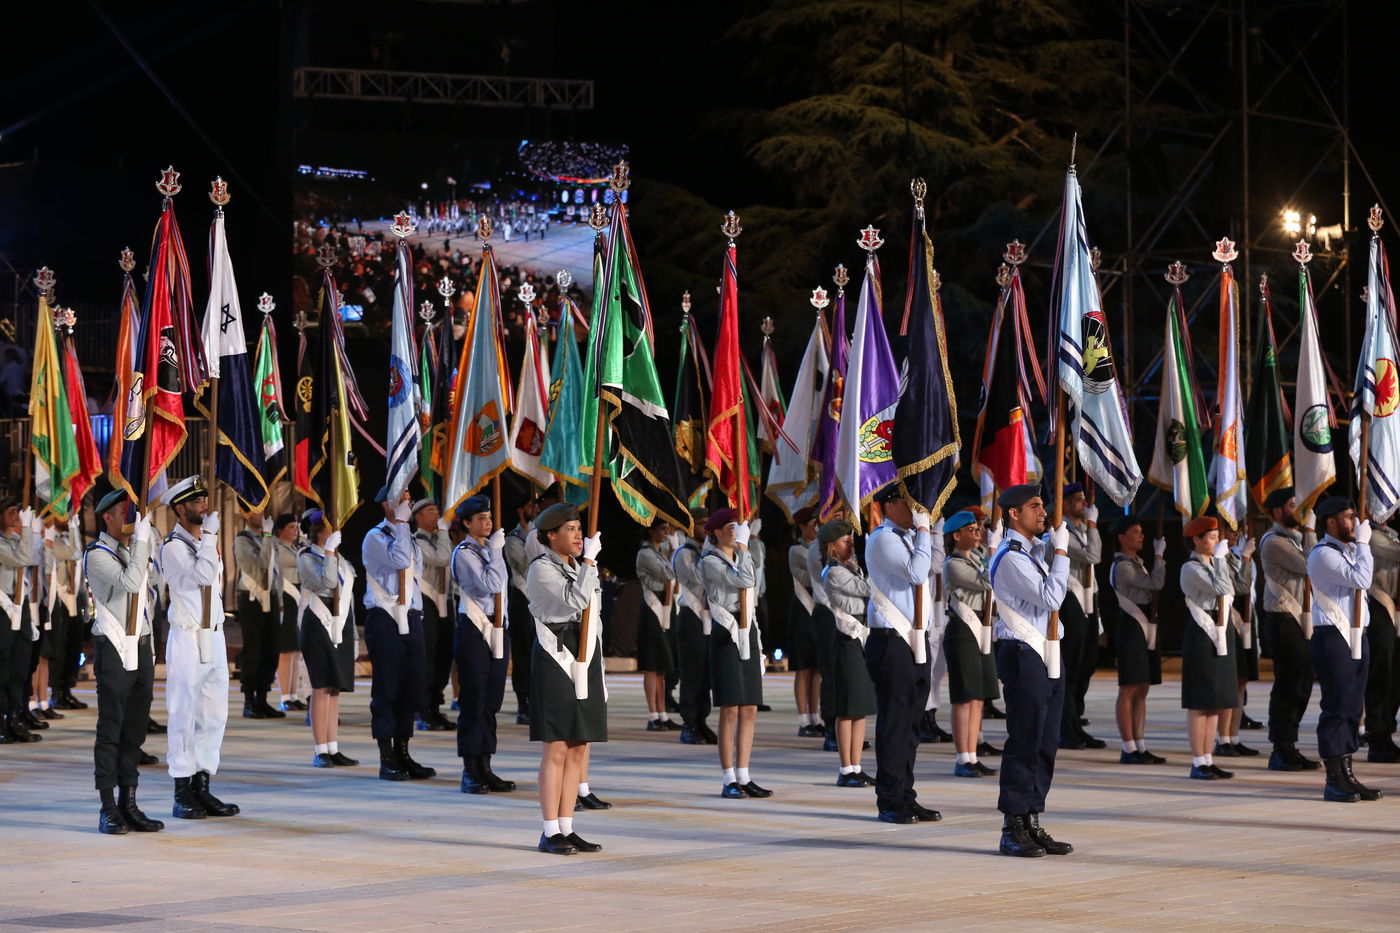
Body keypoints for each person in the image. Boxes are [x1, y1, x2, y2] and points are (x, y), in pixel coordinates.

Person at [987, 484, 1073, 858]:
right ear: (1012, 514)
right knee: (1025, 740)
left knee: (1046, 741)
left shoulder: (1032, 552)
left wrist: (1055, 549)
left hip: (1045, 652)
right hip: (1023, 652)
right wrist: (1061, 551)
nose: (1044, 512)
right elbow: (1052, 597)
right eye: (1035, 506)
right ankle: (1013, 825)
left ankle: (1033, 818)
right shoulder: (1011, 557)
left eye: (1042, 505)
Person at [525, 503, 606, 855]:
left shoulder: (581, 566)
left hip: (585, 651)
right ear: (551, 536)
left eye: (578, 529)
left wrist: (586, 565)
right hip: (556, 654)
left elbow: (595, 612)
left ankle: (568, 826)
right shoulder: (541, 569)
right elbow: (575, 600)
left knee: (578, 745)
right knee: (557, 745)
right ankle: (549, 830)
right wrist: (588, 564)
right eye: (570, 530)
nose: (578, 536)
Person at [160, 476, 239, 819]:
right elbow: (204, 576)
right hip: (188, 637)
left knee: (214, 714)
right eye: (196, 502)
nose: (204, 505)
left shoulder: (206, 542)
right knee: (184, 713)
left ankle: (203, 786)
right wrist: (209, 537)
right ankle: (182, 790)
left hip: (215, 634)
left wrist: (208, 539)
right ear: (180, 509)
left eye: (205, 499)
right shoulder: (172, 547)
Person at [85, 486, 163, 834]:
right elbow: (131, 583)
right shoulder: (97, 554)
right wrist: (143, 544)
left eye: (132, 514)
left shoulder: (133, 549)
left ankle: (129, 803)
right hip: (114, 647)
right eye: (124, 514)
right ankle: (107, 807)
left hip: (141, 644)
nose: (130, 521)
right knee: (111, 729)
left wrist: (148, 542)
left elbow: (154, 584)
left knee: (134, 730)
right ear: (107, 517)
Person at [864, 486, 942, 824]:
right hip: (892, 639)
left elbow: (934, 562)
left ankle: (906, 795)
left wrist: (931, 529)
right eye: (909, 504)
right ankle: (889, 799)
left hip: (914, 638)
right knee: (895, 723)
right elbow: (916, 572)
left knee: (911, 723)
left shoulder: (910, 537)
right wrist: (924, 530)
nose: (915, 510)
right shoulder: (883, 538)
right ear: (891, 505)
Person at [1306, 497, 1383, 802]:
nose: (1354, 522)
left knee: (1353, 707)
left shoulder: (1349, 550)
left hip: (1355, 635)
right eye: (1349, 517)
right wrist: (1364, 545)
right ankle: (1333, 779)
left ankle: (1348, 774)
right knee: (1337, 706)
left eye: (1354, 516)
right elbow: (1362, 579)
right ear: (1331, 522)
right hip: (1333, 636)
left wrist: (1359, 546)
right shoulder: (1323, 554)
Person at [362, 486, 435, 782]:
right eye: (403, 500)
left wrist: (405, 527)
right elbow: (401, 561)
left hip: (412, 618)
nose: (409, 504)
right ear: (385, 505)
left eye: (409, 500)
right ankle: (386, 756)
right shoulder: (375, 537)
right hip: (385, 618)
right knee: (387, 690)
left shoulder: (409, 537)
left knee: (412, 690)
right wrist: (403, 524)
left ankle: (404, 751)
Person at [701, 508, 771, 799]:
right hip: (727, 631)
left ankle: (745, 773)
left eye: (736, 526)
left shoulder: (743, 553)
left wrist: (744, 550)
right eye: (728, 527)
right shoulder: (709, 561)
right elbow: (743, 581)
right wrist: (744, 547)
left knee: (750, 708)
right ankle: (728, 776)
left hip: (747, 628)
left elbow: (752, 582)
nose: (734, 531)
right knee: (730, 708)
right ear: (715, 532)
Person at [451, 494, 515, 795]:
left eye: (489, 517)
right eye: (481, 519)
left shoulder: (490, 549)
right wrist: (498, 553)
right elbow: (491, 584)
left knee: (492, 701)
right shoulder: (464, 553)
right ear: (466, 523)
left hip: (499, 627)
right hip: (475, 628)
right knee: (474, 700)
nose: (488, 523)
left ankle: (486, 765)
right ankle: (470, 769)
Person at [1258, 487, 1321, 772]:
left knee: (1302, 682)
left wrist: (1307, 532)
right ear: (1275, 511)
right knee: (1288, 683)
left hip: (1297, 620)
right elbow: (1310, 564)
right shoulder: (1273, 541)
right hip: (1283, 619)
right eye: (1292, 505)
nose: (1298, 509)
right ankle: (1280, 747)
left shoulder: (1293, 539)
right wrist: (1310, 530)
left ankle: (1290, 743)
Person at [1179, 516, 1240, 781]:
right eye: (1212, 537)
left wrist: (1232, 559)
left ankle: (1209, 759)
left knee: (1215, 701)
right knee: (1199, 702)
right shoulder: (1190, 567)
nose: (1217, 541)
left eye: (1217, 537)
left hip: (1220, 632)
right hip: (1202, 635)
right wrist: (1221, 560)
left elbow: (1238, 586)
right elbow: (1222, 587)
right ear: (1197, 539)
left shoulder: (1215, 563)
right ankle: (1197, 761)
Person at [296, 510, 357, 768]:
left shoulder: (340, 558)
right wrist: (329, 552)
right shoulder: (306, 556)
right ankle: (320, 749)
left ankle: (333, 747)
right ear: (319, 531)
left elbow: (348, 596)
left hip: (340, 624)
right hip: (317, 624)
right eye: (331, 528)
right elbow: (328, 582)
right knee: (321, 687)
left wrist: (353, 638)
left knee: (335, 688)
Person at [944, 510, 1000, 778]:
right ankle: (961, 757)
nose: (978, 533)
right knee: (964, 697)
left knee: (978, 697)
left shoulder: (977, 559)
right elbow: (988, 580)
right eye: (972, 530)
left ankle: (973, 754)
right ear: (956, 535)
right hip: (963, 630)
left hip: (982, 628)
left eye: (979, 529)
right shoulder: (953, 563)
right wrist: (993, 549)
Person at [820, 518, 875, 788]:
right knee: (847, 707)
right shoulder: (833, 572)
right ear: (832, 546)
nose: (851, 543)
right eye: (845, 540)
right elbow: (865, 590)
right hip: (846, 639)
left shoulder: (850, 567)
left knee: (860, 707)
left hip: (859, 638)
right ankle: (845, 768)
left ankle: (857, 766)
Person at [1108, 516, 1167, 765]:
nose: (1141, 536)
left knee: (1142, 687)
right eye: (1135, 532)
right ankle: (1128, 746)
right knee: (1130, 687)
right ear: (1122, 537)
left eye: (1141, 531)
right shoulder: (1122, 566)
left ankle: (1140, 744)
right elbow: (1156, 583)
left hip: (1143, 626)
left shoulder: (1137, 562)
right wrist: (1160, 558)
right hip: (1131, 627)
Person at [1056, 483, 1105, 750]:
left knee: (1086, 667)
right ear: (1064, 504)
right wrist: (1094, 526)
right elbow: (1092, 555)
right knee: (1071, 669)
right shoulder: (1061, 530)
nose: (1084, 504)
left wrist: (1090, 527)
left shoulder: (1083, 528)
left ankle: (1076, 722)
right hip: (1070, 601)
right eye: (1077, 499)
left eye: (1084, 499)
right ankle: (1066, 728)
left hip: (1088, 601)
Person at [0, 497, 42, 744]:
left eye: (18, 511)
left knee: (20, 665)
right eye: (11, 511)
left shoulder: (15, 540)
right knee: (2, 666)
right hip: (3, 606)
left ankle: (15, 718)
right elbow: (22, 559)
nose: (17, 515)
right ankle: (3, 721)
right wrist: (27, 529)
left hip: (20, 606)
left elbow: (32, 558)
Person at [235, 510, 284, 720]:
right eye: (257, 512)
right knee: (253, 649)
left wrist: (280, 601)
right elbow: (261, 567)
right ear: (246, 515)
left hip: (271, 597)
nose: (262, 515)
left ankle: (263, 698)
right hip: (252, 598)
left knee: (271, 649)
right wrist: (266, 537)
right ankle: (249, 701)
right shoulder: (242, 540)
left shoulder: (269, 538)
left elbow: (277, 572)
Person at [673, 510, 717, 745]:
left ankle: (701, 720)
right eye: (701, 524)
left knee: (706, 674)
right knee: (692, 672)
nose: (706, 529)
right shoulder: (685, 553)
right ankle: (688, 723)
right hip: (691, 616)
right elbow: (704, 578)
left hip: (708, 618)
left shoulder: (706, 552)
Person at [1215, 526, 1260, 758]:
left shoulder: (1230, 557)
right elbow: (1239, 587)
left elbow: (1246, 586)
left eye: (1238, 530)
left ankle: (1233, 737)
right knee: (1230, 682)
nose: (1236, 534)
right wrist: (1245, 558)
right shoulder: (1218, 559)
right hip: (1225, 622)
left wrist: (1243, 558)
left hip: (1240, 622)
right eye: (1230, 530)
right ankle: (1222, 739)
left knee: (1241, 681)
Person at [413, 498, 455, 732]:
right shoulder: (418, 541)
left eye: (436, 510)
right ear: (418, 517)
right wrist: (444, 532)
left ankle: (436, 706)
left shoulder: (440, 538)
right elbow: (441, 558)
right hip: (426, 600)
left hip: (444, 600)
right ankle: (423, 709)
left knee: (442, 657)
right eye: (430, 511)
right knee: (428, 658)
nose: (436, 515)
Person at [635, 518, 680, 731]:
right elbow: (669, 574)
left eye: (667, 529)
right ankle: (652, 715)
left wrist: (670, 552)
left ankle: (662, 714)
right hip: (651, 608)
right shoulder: (645, 553)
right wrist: (674, 551)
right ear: (650, 530)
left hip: (662, 607)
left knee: (662, 666)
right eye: (662, 529)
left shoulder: (658, 552)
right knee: (652, 666)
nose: (666, 533)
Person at [1362, 517, 1400, 762]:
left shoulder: (1392, 533)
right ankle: (1376, 737)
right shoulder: (1372, 536)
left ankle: (1386, 732)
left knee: (1395, 676)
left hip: (1394, 608)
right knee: (1381, 672)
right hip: (1379, 605)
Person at [504, 491, 541, 724]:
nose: (535, 509)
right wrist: (533, 536)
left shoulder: (542, 535)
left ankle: (538, 700)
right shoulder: (514, 537)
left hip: (540, 600)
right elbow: (525, 562)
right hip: (521, 597)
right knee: (522, 653)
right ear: (521, 511)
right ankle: (523, 702)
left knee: (539, 653)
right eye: (530, 505)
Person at [39, 514, 80, 721]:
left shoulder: (63, 538)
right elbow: (74, 553)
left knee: (72, 647)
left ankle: (66, 689)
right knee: (58, 648)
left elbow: (77, 559)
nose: (66, 517)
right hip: (58, 597)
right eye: (62, 513)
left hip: (72, 598)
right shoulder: (51, 540)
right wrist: (74, 529)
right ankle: (55, 691)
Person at [786, 507, 822, 738]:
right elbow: (810, 577)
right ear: (801, 526)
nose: (815, 528)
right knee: (803, 668)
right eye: (811, 524)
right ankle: (803, 719)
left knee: (817, 668)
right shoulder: (797, 550)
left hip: (817, 609)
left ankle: (815, 716)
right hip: (801, 608)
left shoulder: (818, 548)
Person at [806, 513, 839, 750]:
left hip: (844, 615)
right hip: (827, 613)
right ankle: (831, 728)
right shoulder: (816, 551)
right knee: (830, 675)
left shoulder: (842, 548)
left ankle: (843, 726)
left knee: (845, 674)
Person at [269, 515, 307, 712]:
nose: (296, 530)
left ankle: (293, 695)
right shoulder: (275, 545)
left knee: (296, 650)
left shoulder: (297, 547)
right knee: (285, 651)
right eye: (292, 527)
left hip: (298, 598)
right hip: (285, 596)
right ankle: (284, 697)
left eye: (297, 527)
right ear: (280, 529)